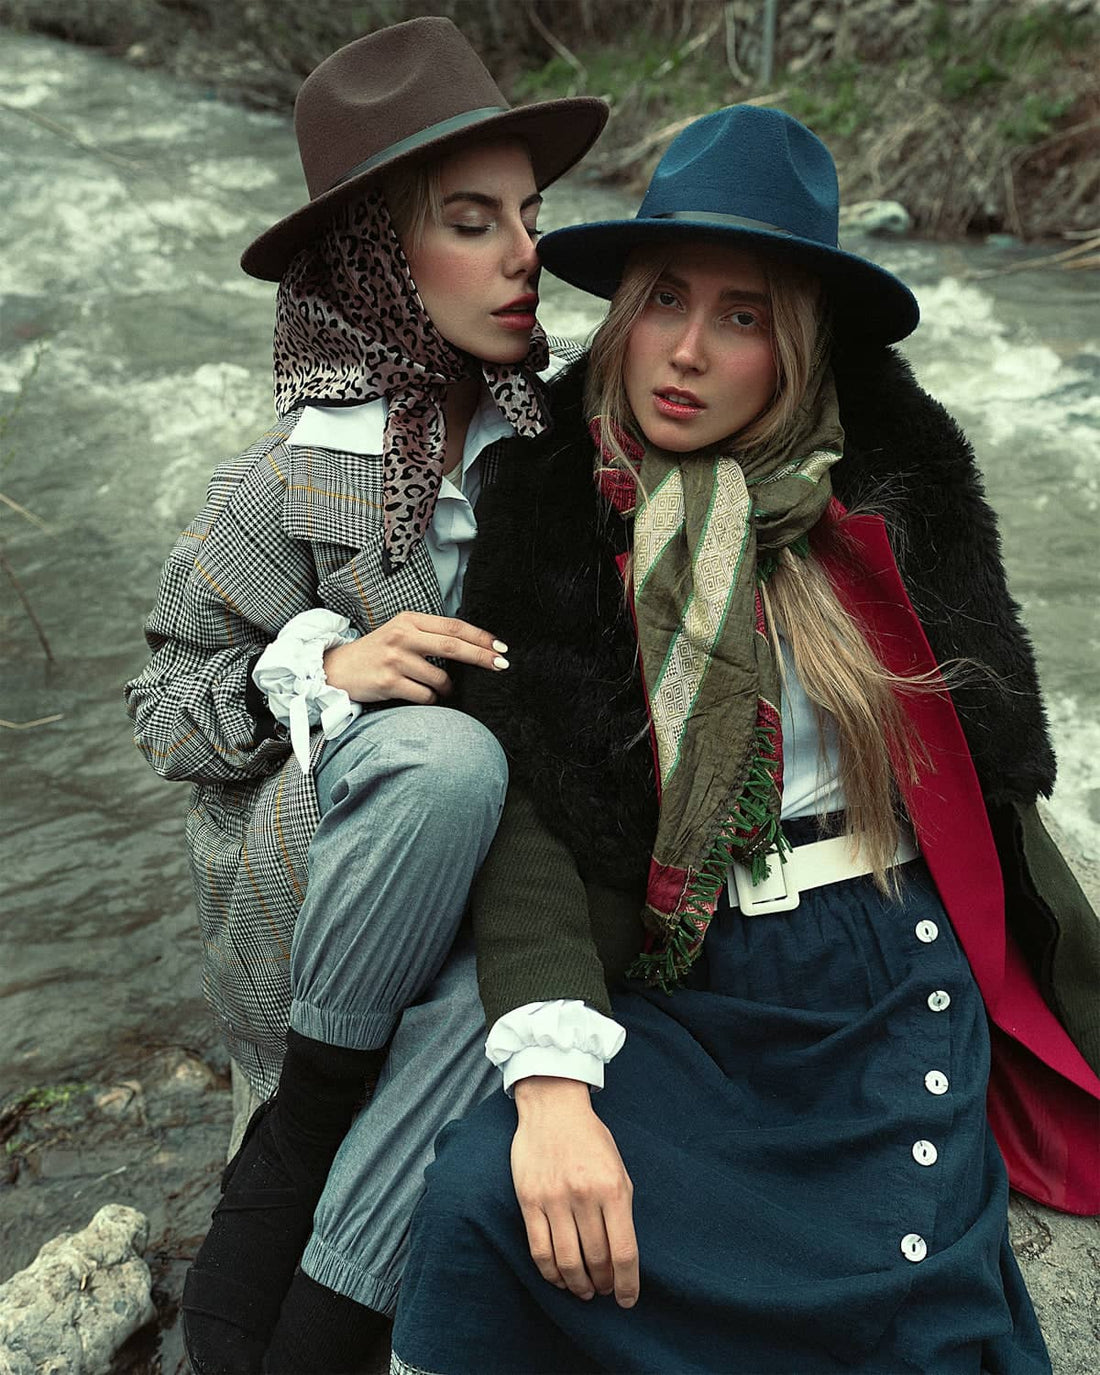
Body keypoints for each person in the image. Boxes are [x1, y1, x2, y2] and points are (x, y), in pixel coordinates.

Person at [387, 105, 1100, 1374]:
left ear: (795, 347)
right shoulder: (552, 499)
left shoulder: (888, 491)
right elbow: (536, 801)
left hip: (874, 966)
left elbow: (993, 773)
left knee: (897, 1305)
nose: (684, 353)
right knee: (489, 1205)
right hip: (685, 975)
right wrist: (549, 1082)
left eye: (740, 315)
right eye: (665, 299)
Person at [123, 17, 608, 1375]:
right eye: (473, 220)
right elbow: (160, 705)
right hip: (331, 877)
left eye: (529, 213)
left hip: (487, 882)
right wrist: (324, 673)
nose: (527, 255)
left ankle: (316, 1326)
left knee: (498, 1007)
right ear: (377, 261)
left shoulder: (562, 445)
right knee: (446, 758)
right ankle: (297, 1123)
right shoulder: (285, 479)